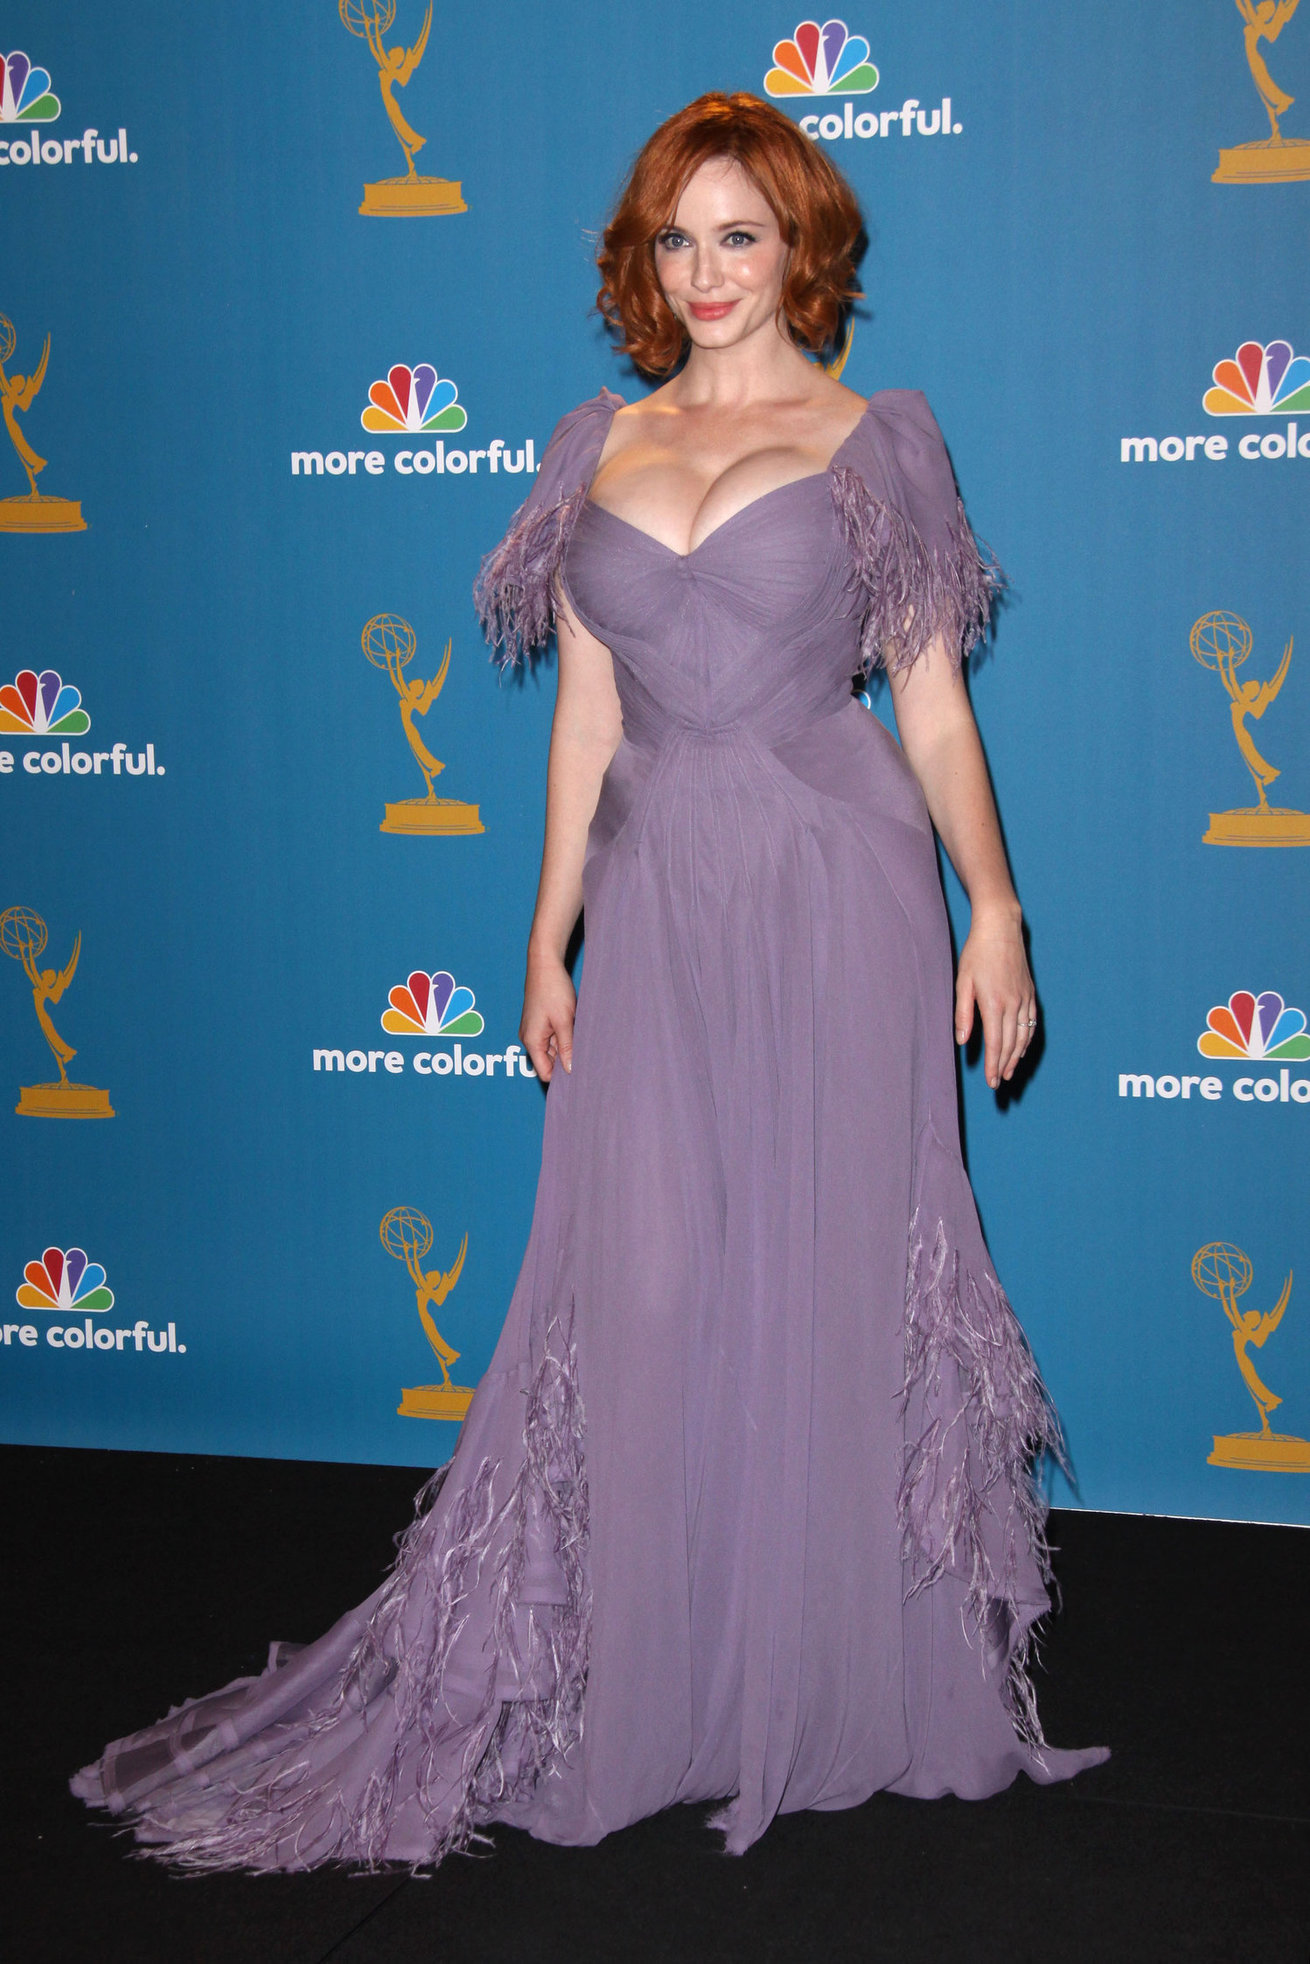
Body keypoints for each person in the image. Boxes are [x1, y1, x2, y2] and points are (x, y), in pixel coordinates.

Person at [71, 91, 1105, 1871]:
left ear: (801, 251)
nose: (704, 272)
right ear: (644, 259)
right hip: (655, 892)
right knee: (640, 1281)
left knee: (835, 1267)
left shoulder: (878, 440)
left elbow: (925, 694)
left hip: (834, 880)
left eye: (739, 236)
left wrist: (993, 906)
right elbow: (590, 711)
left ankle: (843, 1671)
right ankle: (646, 1671)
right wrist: (545, 926)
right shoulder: (594, 441)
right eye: (674, 239)